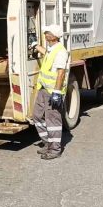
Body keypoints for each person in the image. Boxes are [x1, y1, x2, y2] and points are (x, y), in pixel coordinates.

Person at [30, 24, 69, 160]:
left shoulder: (60, 51)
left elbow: (61, 73)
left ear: (55, 36)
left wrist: (57, 92)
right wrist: (35, 45)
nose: (45, 34)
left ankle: (55, 149)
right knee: (37, 116)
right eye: (45, 32)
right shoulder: (52, 49)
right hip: (44, 89)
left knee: (53, 120)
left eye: (48, 33)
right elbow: (46, 53)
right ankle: (47, 143)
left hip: (53, 91)